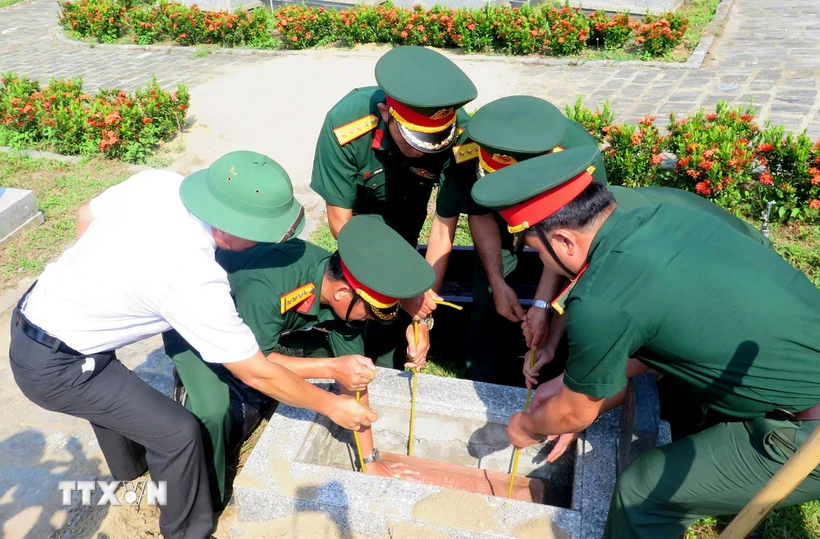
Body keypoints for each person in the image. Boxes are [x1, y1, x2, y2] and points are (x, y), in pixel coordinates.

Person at [8, 151, 376, 538]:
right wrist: (331, 405)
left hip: (44, 308)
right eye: (264, 231)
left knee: (115, 395)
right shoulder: (194, 279)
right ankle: (188, 531)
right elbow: (256, 371)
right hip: (54, 366)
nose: (267, 241)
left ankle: (131, 472)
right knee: (177, 434)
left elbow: (86, 213)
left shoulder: (160, 183)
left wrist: (94, 285)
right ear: (230, 227)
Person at [472, 146, 820, 538]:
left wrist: (529, 425)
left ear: (565, 241)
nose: (544, 263)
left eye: (538, 250)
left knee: (643, 494)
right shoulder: (666, 219)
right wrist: (574, 387)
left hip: (806, 432)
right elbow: (674, 337)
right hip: (792, 371)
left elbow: (575, 414)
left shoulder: (602, 295)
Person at [163, 214, 435, 507]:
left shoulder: (345, 289)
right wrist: (331, 368)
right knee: (212, 409)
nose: (367, 320)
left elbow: (353, 376)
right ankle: (201, 500)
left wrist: (370, 461)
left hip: (256, 331)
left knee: (317, 359)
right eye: (368, 314)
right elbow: (255, 363)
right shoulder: (269, 284)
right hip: (198, 323)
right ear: (344, 292)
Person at [309, 45, 478, 369]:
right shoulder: (346, 125)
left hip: (408, 211)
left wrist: (421, 309)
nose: (421, 152)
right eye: (412, 141)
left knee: (397, 306)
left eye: (431, 145)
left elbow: (443, 229)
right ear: (388, 114)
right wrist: (401, 291)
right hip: (358, 219)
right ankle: (349, 356)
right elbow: (340, 223)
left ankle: (387, 363)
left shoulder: (458, 134)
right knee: (361, 296)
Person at [435, 95, 606, 383]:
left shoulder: (577, 157)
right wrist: (497, 283)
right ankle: (484, 378)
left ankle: (555, 374)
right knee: (488, 300)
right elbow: (480, 213)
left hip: (556, 226)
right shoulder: (471, 149)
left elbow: (564, 245)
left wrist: (541, 305)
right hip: (495, 224)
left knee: (569, 299)